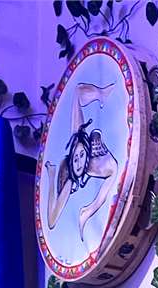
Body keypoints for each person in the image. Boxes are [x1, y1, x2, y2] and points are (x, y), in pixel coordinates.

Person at [43, 81, 119, 240]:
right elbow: (51, 220)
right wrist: (51, 177)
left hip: (87, 146)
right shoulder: (70, 178)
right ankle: (86, 212)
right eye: (76, 159)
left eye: (81, 156)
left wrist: (99, 93)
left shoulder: (87, 155)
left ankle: (102, 93)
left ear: (87, 152)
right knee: (113, 168)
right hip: (83, 152)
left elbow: (78, 92)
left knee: (78, 91)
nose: (78, 163)